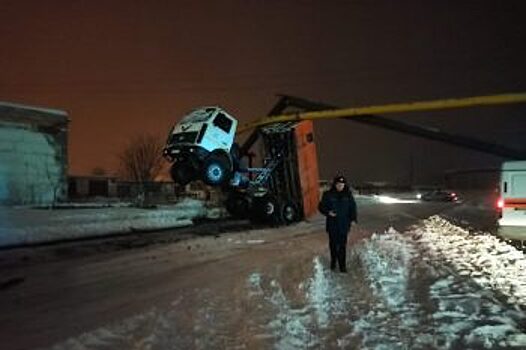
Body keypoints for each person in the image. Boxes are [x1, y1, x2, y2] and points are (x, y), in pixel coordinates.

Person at [318, 175, 357, 272]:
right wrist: (328, 212)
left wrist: (353, 219)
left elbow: (353, 207)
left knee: (342, 246)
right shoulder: (328, 194)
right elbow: (321, 207)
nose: (340, 186)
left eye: (342, 184)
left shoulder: (348, 195)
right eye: (338, 184)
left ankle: (342, 266)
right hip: (333, 225)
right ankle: (333, 261)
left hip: (344, 225)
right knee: (333, 245)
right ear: (335, 184)